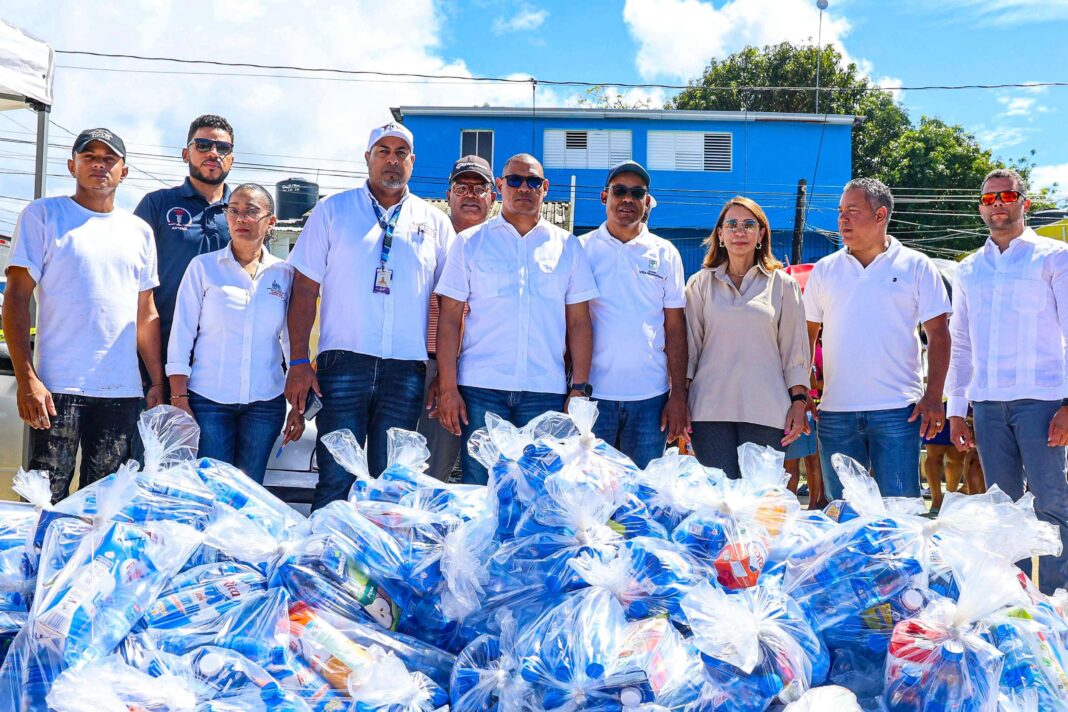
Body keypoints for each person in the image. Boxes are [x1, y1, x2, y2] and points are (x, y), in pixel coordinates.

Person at [286, 122, 454, 509]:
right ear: (367, 158)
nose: (392, 161)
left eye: (400, 153)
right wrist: (298, 360)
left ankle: (376, 568)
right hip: (342, 364)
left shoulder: (435, 223)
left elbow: (448, 307)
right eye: (383, 152)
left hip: (405, 370)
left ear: (412, 162)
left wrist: (443, 374)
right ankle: (322, 565)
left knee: (390, 485)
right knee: (335, 477)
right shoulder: (333, 210)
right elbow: (304, 291)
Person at [3, 129, 163, 503]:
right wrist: (27, 379)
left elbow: (146, 313)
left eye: (109, 159)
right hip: (56, 389)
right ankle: (42, 563)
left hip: (121, 391)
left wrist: (156, 381)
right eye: (89, 156)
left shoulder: (139, 231)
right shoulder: (43, 215)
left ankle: (90, 566)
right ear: (72, 165)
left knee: (102, 506)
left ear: (124, 172)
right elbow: (15, 300)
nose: (99, 164)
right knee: (44, 502)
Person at [434, 153, 599, 485]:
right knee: (482, 491)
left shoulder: (567, 246)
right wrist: (448, 387)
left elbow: (579, 322)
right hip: (481, 388)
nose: (524, 187)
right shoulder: (470, 243)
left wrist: (579, 389)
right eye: (515, 180)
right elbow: (450, 319)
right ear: (500, 185)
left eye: (533, 181)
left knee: (539, 493)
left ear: (545, 188)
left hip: (545, 391)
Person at [946, 168, 1068, 594]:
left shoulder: (1054, 257)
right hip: (989, 405)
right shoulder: (968, 270)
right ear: (980, 208)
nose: (997, 204)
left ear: (1024, 202)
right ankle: (1012, 600)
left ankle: (1054, 602)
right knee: (1002, 507)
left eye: (1006, 196)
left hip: (1043, 401)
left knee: (1051, 502)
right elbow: (960, 344)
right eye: (989, 199)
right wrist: (957, 412)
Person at [805, 177, 951, 499]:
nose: (842, 219)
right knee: (845, 515)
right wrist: (803, 395)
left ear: (880, 215)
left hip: (899, 411)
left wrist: (934, 396)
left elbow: (939, 335)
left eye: (852, 211)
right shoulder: (824, 270)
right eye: (840, 211)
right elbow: (806, 337)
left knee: (899, 515)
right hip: (835, 413)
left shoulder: (917, 266)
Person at [166, 184, 304, 483]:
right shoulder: (203, 268)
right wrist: (179, 397)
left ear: (271, 220)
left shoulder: (285, 273)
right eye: (234, 211)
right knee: (212, 486)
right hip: (209, 400)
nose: (241, 218)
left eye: (251, 211)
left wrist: (298, 406)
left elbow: (292, 341)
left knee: (250, 487)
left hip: (266, 403)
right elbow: (182, 333)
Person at [684, 196, 810, 479]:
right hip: (708, 413)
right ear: (720, 234)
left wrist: (800, 402)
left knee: (758, 509)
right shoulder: (699, 284)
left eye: (748, 224)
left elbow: (795, 351)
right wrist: (680, 400)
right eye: (731, 224)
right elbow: (689, 351)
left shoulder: (784, 285)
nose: (739, 232)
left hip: (767, 412)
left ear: (761, 234)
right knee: (720, 507)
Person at [578, 161, 689, 468]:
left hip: (650, 400)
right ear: (604, 197)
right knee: (591, 495)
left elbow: (676, 328)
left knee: (639, 504)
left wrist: (677, 395)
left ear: (647, 201)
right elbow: (569, 324)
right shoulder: (580, 249)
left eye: (637, 192)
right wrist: (573, 391)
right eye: (620, 191)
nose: (627, 198)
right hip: (592, 399)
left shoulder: (665, 253)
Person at [134, 115, 235, 389]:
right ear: (185, 153)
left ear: (231, 159)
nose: (213, 153)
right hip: (158, 357)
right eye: (202, 145)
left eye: (222, 148)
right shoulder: (157, 204)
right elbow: (132, 281)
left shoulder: (243, 212)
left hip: (222, 362)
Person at [417, 156, 495, 481]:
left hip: (486, 374)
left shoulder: (502, 241)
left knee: (484, 477)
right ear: (448, 194)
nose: (471, 195)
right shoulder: (426, 234)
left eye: (480, 188)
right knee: (427, 472)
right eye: (462, 187)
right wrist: (442, 374)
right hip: (431, 366)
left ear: (494, 196)